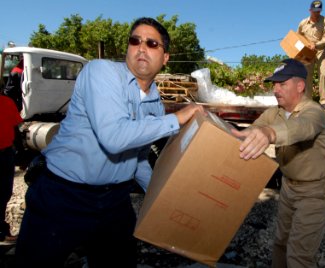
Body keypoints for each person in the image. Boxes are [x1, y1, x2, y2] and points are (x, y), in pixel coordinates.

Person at [15, 17, 204, 267]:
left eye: (152, 43)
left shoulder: (155, 105)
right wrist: (176, 119)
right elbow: (114, 138)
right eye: (135, 40)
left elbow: (137, 161)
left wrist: (162, 199)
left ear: (165, 57)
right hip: (62, 196)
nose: (141, 47)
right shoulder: (101, 72)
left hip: (114, 202)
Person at [232, 58, 325, 268]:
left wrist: (270, 133)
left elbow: (302, 127)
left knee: (299, 256)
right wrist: (230, 133)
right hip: (289, 187)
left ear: (300, 86)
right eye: (274, 85)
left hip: (316, 190)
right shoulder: (275, 112)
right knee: (281, 244)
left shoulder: (313, 111)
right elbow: (253, 130)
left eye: (282, 84)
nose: (276, 90)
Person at [297, 0, 325, 109]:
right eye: (314, 11)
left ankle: (324, 101)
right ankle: (307, 102)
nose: (317, 13)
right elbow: (298, 37)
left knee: (324, 73)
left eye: (319, 11)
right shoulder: (303, 23)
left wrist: (315, 44)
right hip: (308, 52)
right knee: (307, 76)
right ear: (310, 10)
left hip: (321, 50)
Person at [0, 90, 23, 244]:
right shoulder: (7, 102)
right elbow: (16, 130)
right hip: (4, 155)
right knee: (2, 194)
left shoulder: (7, 102)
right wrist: (21, 153)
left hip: (5, 154)